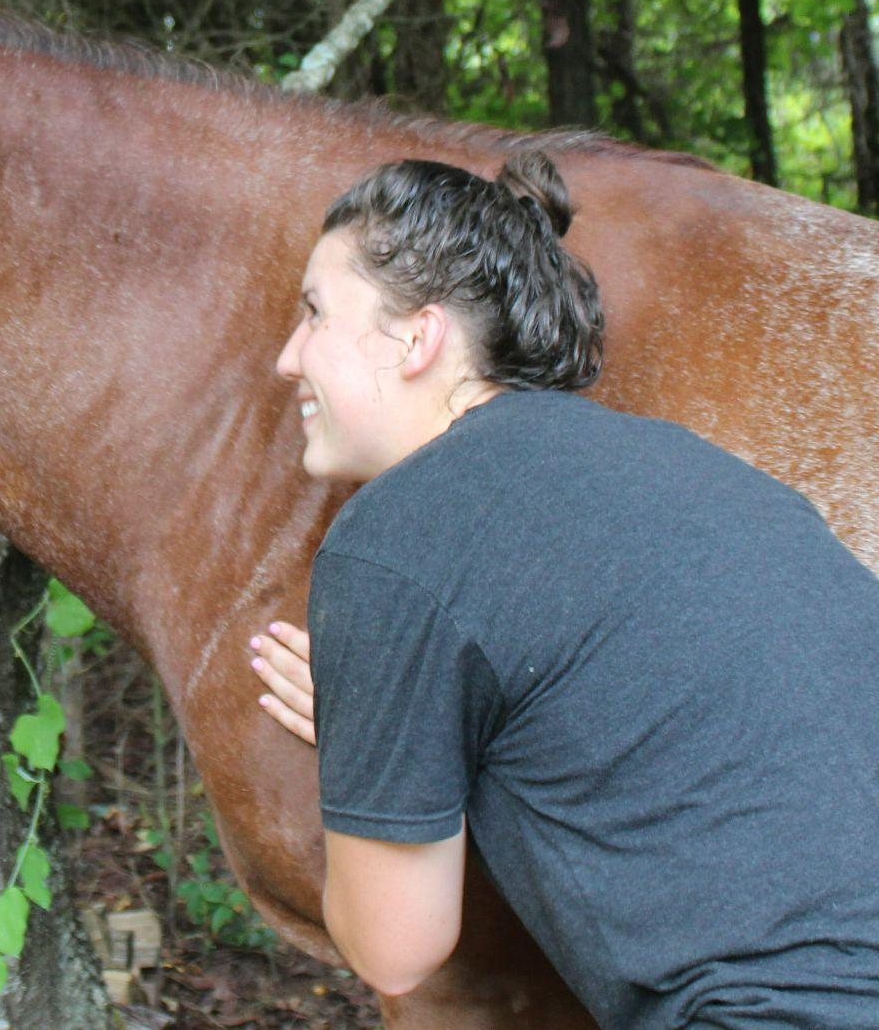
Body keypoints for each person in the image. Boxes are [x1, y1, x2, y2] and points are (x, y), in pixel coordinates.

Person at [248, 153, 879, 1029]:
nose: (288, 358)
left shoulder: (397, 534)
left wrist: (378, 744)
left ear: (417, 338)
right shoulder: (703, 471)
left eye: (315, 311)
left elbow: (395, 947)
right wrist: (414, 728)